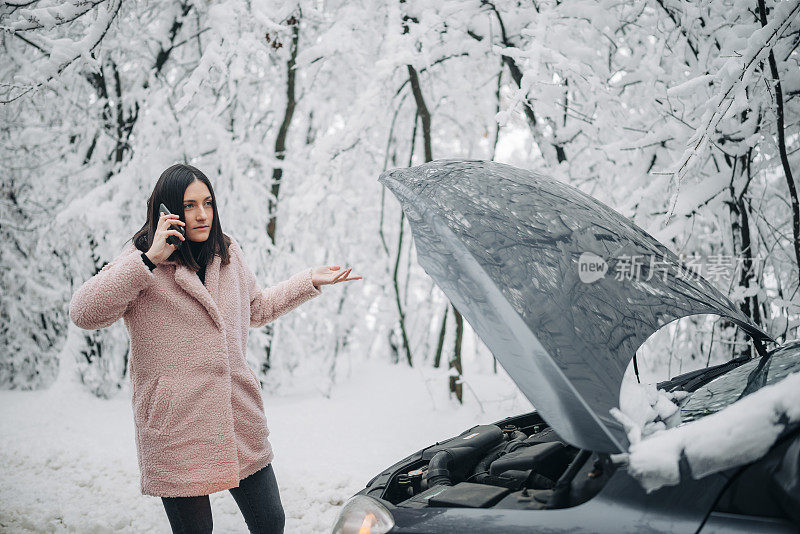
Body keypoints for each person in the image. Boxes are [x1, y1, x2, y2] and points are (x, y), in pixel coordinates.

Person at [69, 163, 361, 534]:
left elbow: (257, 308)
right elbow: (83, 312)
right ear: (167, 211)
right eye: (190, 205)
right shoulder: (141, 262)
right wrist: (150, 259)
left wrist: (307, 281)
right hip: (177, 426)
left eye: (208, 202)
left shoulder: (227, 254)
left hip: (236, 415)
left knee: (271, 521)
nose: (203, 214)